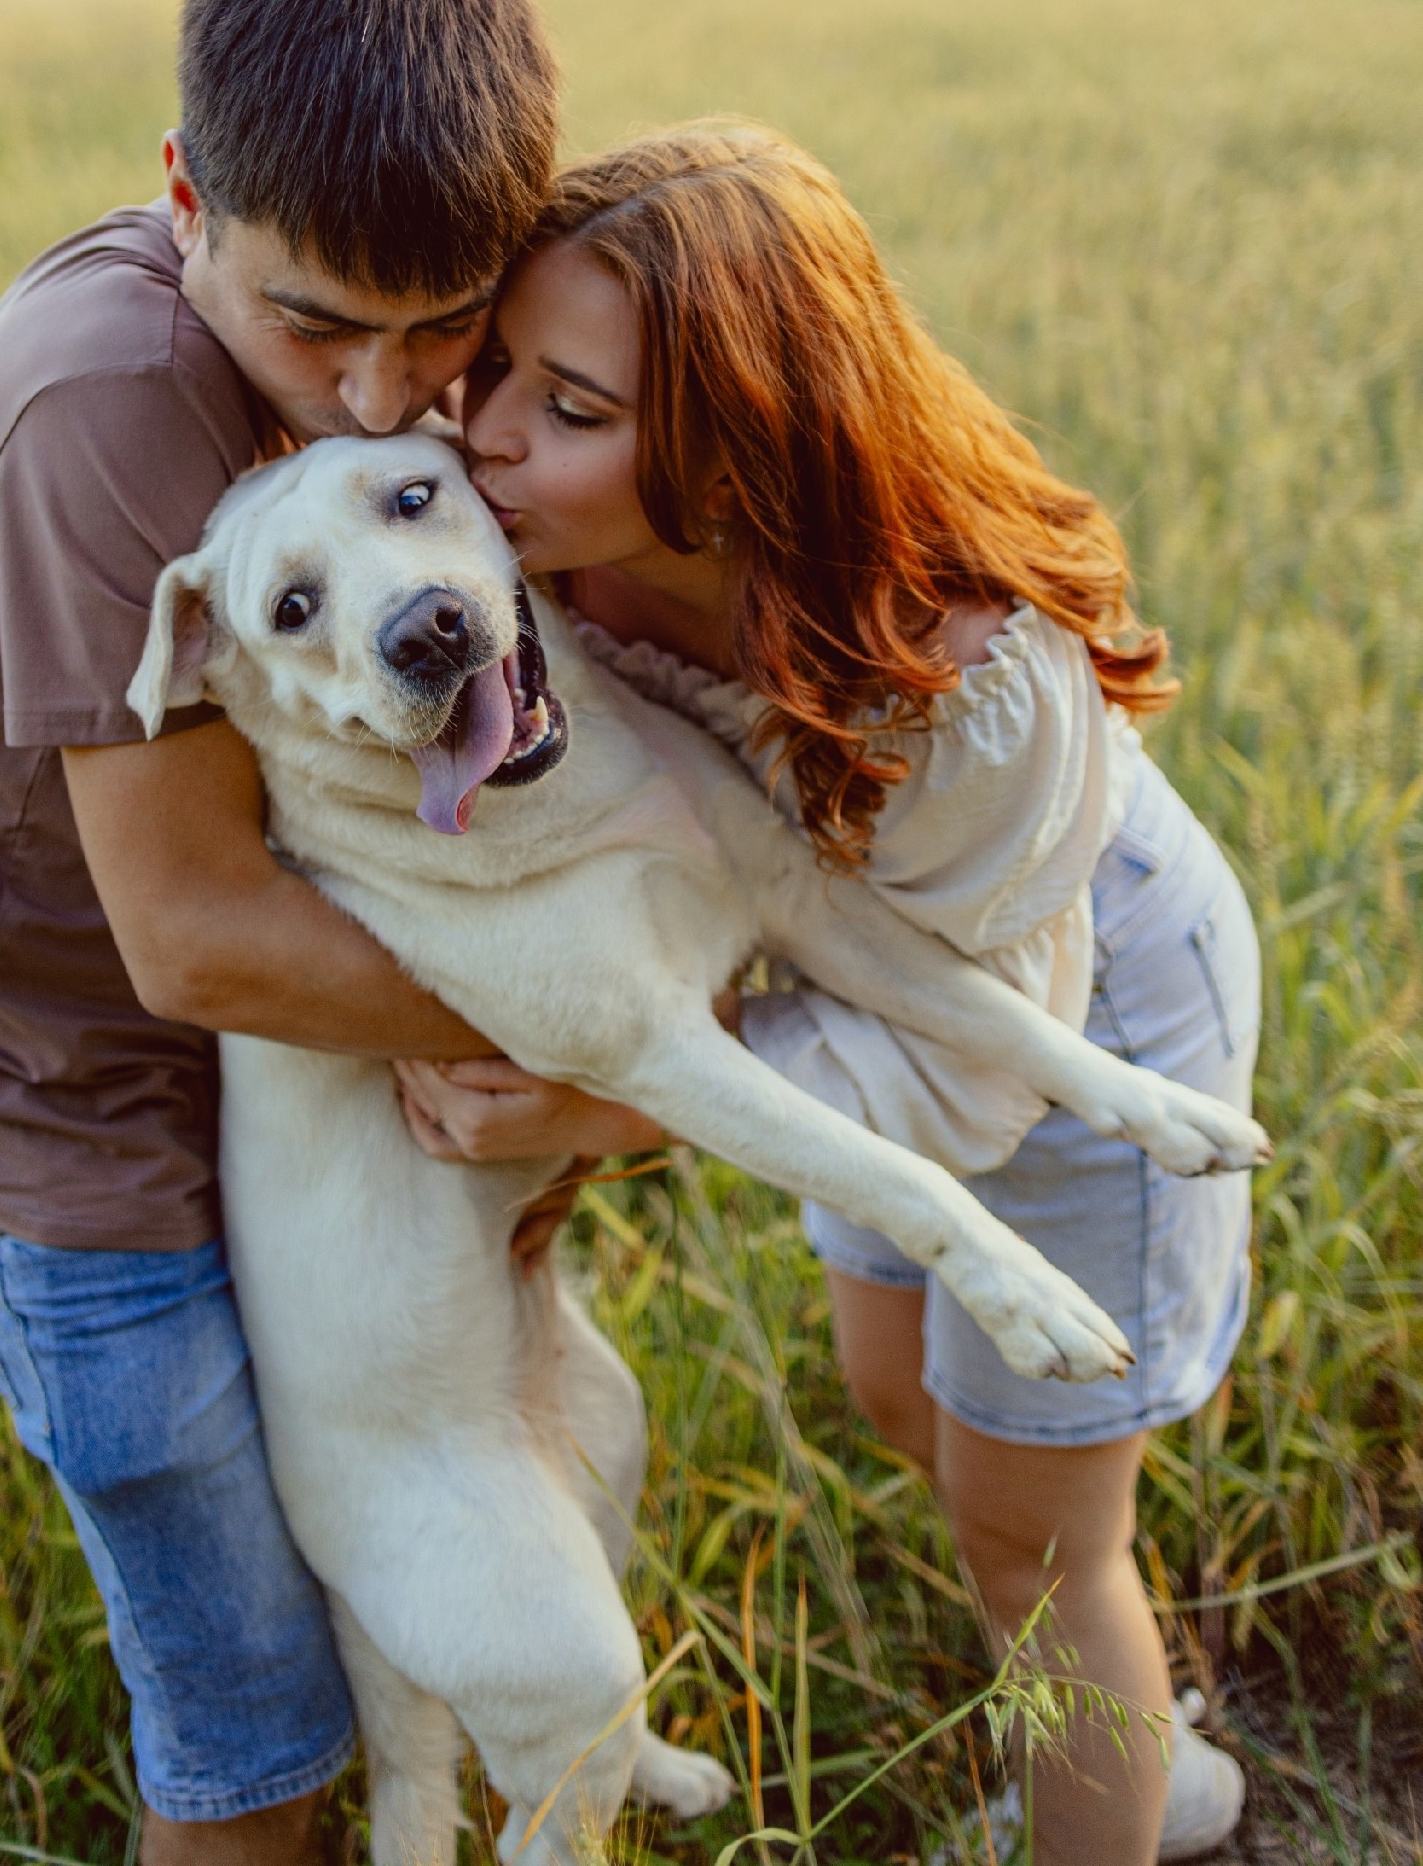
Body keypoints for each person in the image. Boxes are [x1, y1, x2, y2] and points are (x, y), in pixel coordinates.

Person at [396, 123, 1259, 1866]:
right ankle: (1122, 1743)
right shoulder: (515, 519)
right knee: (902, 1396)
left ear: (738, 452)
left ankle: (1101, 1794)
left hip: (1067, 1003)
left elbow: (976, 1065)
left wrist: (611, 1104)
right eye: (495, 369)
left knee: (1038, 1529)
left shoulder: (962, 682)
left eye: (571, 410)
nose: (483, 436)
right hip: (842, 979)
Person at [0, 0, 568, 1866]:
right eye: (314, 322)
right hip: (88, 1159)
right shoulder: (112, 405)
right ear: (185, 192)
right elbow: (193, 937)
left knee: (370, 1668)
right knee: (251, 1748)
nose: (378, 394)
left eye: (442, 323)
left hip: (291, 1108)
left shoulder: (352, 329)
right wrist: (625, 1034)